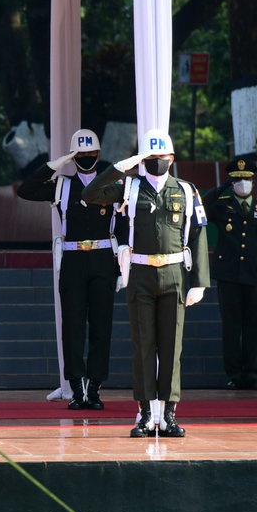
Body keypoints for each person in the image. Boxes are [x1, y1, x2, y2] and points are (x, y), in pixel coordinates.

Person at [82, 129, 210, 438]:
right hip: (139, 275)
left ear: (171, 159)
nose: (156, 163)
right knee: (142, 346)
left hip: (175, 275)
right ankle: (143, 413)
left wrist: (200, 282)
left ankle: (167, 414)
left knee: (170, 347)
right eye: (150, 159)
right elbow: (89, 194)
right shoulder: (128, 187)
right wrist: (122, 166)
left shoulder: (186, 190)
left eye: (161, 158)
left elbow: (199, 235)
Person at [17, 129, 124, 410]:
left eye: (90, 154)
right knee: (73, 326)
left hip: (103, 258)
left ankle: (95, 387)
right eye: (80, 154)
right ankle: (77, 388)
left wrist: (123, 265)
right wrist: (57, 163)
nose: (86, 159)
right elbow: (26, 189)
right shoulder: (62, 185)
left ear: (99, 155)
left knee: (102, 326)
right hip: (73, 259)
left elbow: (125, 223)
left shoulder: (114, 185)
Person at [203, 158, 257, 390]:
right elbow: (200, 207)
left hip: (255, 275)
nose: (243, 184)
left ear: (253, 181)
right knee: (232, 326)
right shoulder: (222, 205)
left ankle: (251, 373)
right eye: (238, 180)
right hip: (228, 275)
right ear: (231, 182)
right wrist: (221, 188)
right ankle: (234, 373)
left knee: (254, 325)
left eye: (246, 179)